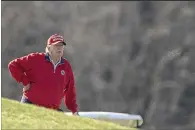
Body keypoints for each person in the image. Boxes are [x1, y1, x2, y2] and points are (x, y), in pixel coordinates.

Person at [8, 34, 79, 115]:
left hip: (52, 110)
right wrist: (25, 82)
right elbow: (13, 65)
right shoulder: (36, 58)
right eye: (56, 45)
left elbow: (70, 90)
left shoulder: (66, 66)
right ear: (49, 48)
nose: (59, 48)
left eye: (61, 45)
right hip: (30, 105)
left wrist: (74, 110)